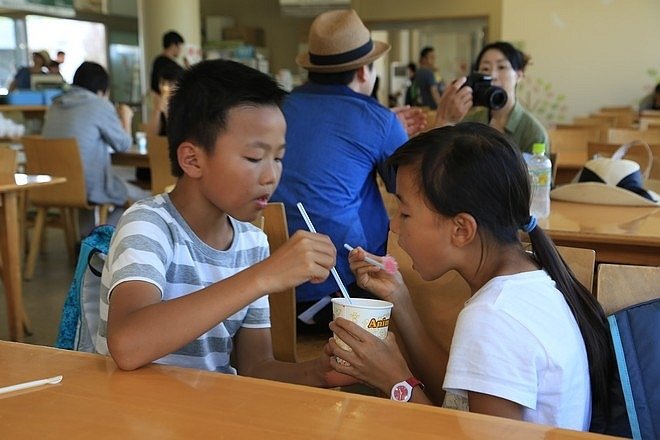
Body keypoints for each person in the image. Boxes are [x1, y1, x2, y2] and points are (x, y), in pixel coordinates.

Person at [327, 123, 615, 431]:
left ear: (462, 229)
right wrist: (401, 300)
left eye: (405, 213)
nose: (394, 226)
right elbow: (461, 401)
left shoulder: (493, 316)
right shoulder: (525, 278)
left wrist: (395, 380)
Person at [95, 58, 353, 390]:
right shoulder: (149, 225)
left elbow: (256, 367)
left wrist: (318, 373)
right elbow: (128, 346)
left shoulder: (251, 243)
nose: (271, 175)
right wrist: (263, 276)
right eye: (254, 158)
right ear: (192, 159)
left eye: (278, 158)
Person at [270, 9, 424, 333]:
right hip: (341, 297)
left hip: (266, 294)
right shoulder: (379, 120)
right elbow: (421, 191)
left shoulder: (277, 107)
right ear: (364, 72)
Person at [42, 61, 149, 229]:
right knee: (144, 197)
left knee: (95, 185)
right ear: (101, 91)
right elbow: (123, 145)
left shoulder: (55, 105)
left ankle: (87, 239)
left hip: (52, 185)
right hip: (86, 186)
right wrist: (126, 118)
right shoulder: (99, 104)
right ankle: (99, 238)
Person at [435, 41, 548, 154]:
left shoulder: (533, 133)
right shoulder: (469, 121)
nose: (492, 75)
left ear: (519, 75)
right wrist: (446, 120)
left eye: (502, 67)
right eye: (485, 69)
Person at [150, 30, 185, 97]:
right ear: (173, 45)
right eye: (180, 46)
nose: (180, 50)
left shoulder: (157, 61)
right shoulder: (171, 65)